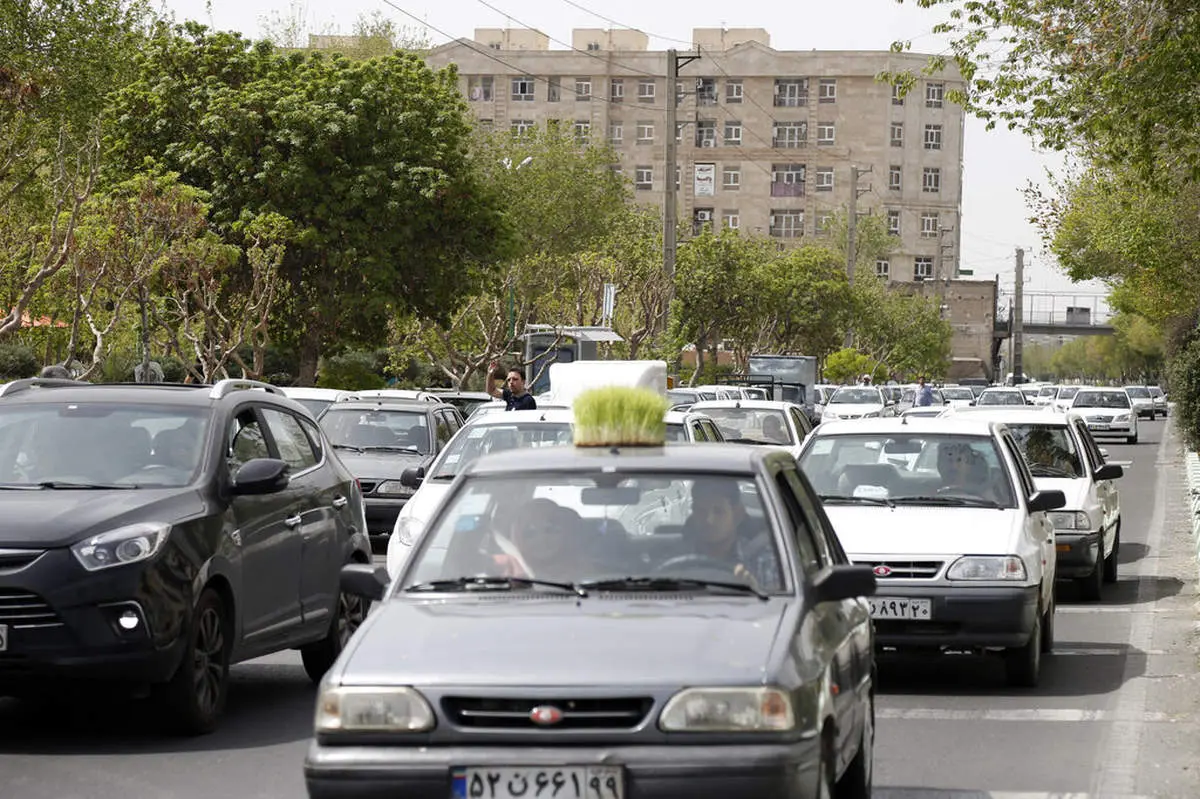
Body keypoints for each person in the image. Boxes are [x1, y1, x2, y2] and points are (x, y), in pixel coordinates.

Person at [680, 479, 781, 590]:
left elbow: (778, 599)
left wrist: (754, 590)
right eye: (701, 511)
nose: (709, 520)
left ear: (737, 515)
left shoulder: (763, 560)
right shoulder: (677, 555)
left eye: (718, 511)